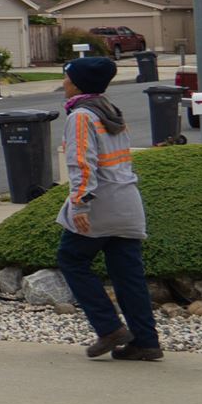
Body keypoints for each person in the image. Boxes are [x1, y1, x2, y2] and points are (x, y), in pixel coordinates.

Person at [55, 55, 160, 362]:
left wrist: (80, 205)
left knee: (71, 259)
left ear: (77, 84)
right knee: (128, 275)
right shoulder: (111, 110)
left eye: (67, 78)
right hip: (127, 201)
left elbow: (81, 164)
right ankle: (146, 342)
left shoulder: (81, 116)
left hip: (100, 202)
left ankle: (109, 327)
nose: (64, 83)